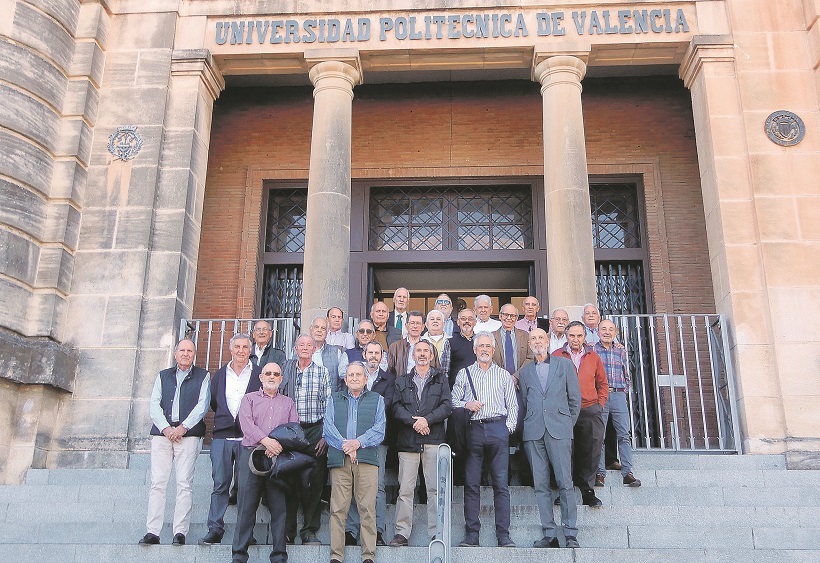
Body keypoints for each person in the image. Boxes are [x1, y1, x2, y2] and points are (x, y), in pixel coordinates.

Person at [139, 339, 210, 546]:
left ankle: (180, 532)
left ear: (194, 354)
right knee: (158, 484)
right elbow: (154, 404)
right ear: (175, 353)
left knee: (184, 484)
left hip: (188, 435)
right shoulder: (163, 376)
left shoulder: (203, 376)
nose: (186, 354)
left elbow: (202, 405)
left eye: (190, 351)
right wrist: (167, 429)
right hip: (163, 435)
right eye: (182, 350)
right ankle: (152, 532)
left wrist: (183, 428)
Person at [452, 332, 518, 548]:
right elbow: (453, 400)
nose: (484, 349)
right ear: (474, 349)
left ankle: (503, 535)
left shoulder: (503, 375)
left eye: (488, 346)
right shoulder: (464, 374)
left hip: (498, 428)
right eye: (480, 346)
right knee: (472, 484)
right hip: (475, 430)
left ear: (493, 349)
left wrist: (507, 429)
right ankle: (472, 534)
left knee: (501, 485)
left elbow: (513, 406)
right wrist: (466, 405)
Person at [518, 329, 581, 549]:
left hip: (560, 432)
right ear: (529, 343)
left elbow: (575, 400)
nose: (537, 342)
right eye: (533, 339)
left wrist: (565, 424)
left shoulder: (564, 366)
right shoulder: (525, 372)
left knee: (565, 483)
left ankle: (571, 534)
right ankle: (549, 534)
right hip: (534, 433)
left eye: (540, 338)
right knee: (541, 485)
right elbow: (525, 402)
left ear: (548, 341)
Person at [232, 362, 299, 563]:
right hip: (252, 455)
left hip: (277, 458)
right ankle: (239, 556)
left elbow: (293, 429)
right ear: (261, 377)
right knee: (246, 507)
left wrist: (276, 444)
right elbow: (246, 424)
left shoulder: (288, 403)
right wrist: (266, 440)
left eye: (276, 374)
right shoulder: (249, 399)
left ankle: (279, 556)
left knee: (279, 508)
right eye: (267, 373)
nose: (271, 376)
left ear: (281, 379)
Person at [390, 341, 452, 547]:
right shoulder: (401, 381)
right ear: (413, 355)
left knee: (435, 490)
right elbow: (396, 408)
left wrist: (428, 420)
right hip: (408, 442)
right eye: (419, 351)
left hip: (434, 441)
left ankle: (437, 532)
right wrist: (415, 422)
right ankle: (402, 533)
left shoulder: (440, 379)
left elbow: (446, 406)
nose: (422, 354)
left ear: (432, 356)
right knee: (405, 490)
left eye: (426, 351)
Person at [201, 333, 261, 545]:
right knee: (220, 483)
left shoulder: (258, 375)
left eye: (245, 347)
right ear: (231, 349)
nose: (241, 351)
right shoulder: (219, 375)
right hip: (223, 437)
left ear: (250, 350)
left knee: (246, 487)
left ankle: (246, 533)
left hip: (248, 439)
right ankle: (215, 528)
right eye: (237, 347)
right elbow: (215, 402)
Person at [324, 362, 386, 563]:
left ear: (366, 378)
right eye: (350, 375)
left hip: (366, 460)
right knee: (338, 509)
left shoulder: (377, 400)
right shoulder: (334, 399)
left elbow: (380, 429)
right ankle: (336, 556)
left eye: (358, 374)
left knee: (367, 508)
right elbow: (328, 428)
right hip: (340, 460)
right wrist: (347, 447)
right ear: (345, 379)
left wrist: (358, 443)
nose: (354, 378)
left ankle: (368, 555)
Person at [280, 334, 332, 545]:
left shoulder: (322, 372)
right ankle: (287, 531)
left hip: (314, 431)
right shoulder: (285, 371)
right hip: (290, 431)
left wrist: (326, 435)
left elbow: (329, 405)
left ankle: (310, 530)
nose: (304, 348)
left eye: (309, 345)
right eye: (301, 345)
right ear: (295, 348)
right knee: (288, 480)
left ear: (314, 349)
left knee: (315, 481)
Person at [553, 321, 608, 507]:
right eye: (572, 336)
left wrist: (599, 405)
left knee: (590, 450)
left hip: (589, 409)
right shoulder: (556, 356)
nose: (575, 339)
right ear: (566, 336)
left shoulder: (594, 357)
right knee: (564, 452)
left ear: (585, 337)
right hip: (564, 411)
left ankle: (587, 490)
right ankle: (565, 490)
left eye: (579, 336)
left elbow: (603, 384)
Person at [345, 342, 395, 547]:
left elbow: (388, 404)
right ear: (364, 354)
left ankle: (377, 530)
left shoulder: (389, 379)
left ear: (382, 356)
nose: (373, 356)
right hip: (352, 440)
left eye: (377, 353)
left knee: (378, 486)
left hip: (378, 440)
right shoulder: (354, 376)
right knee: (353, 484)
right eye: (370, 352)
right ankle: (351, 530)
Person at [595, 320, 641, 487]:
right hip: (601, 396)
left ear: (615, 332)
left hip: (618, 395)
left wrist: (623, 391)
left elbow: (627, 374)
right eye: (603, 329)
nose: (607, 332)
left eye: (610, 329)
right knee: (600, 435)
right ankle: (600, 473)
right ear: (598, 332)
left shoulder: (621, 351)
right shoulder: (593, 350)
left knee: (624, 434)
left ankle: (627, 472)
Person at [492, 303, 533, 381]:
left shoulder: (525, 336)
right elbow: (489, 359)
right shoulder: (491, 337)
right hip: (497, 381)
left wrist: (516, 377)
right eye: (505, 314)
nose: (509, 318)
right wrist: (502, 376)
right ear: (500, 316)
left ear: (517, 318)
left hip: (521, 381)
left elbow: (530, 358)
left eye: (512, 316)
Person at [310, 316, 347, 389]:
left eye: (323, 328)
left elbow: (342, 380)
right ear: (310, 330)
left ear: (327, 333)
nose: (319, 330)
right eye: (316, 327)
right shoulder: (299, 351)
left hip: (330, 398)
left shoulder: (336, 352)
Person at [387, 310, 424, 376]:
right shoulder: (395, 347)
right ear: (406, 326)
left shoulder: (430, 347)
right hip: (401, 385)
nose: (415, 326)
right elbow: (390, 372)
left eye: (418, 323)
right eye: (412, 323)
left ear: (423, 327)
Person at [448, 308, 477, 388]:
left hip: (477, 388)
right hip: (456, 388)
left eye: (470, 319)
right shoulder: (450, 342)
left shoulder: (481, 342)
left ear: (475, 322)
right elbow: (445, 370)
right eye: (463, 319)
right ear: (458, 322)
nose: (467, 321)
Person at [422, 309, 451, 376]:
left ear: (444, 324)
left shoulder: (451, 341)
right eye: (432, 319)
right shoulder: (420, 341)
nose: (435, 321)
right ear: (426, 324)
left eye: (438, 319)